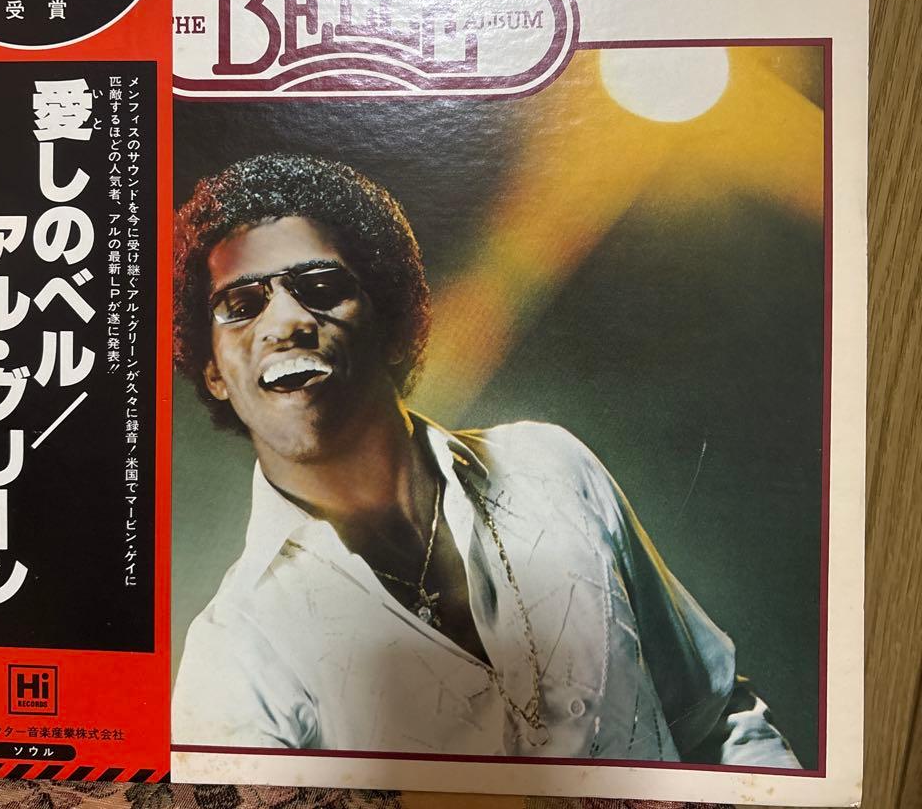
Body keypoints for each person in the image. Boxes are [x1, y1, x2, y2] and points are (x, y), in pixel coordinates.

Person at [171, 153, 799, 765]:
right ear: (214, 372)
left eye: (321, 288)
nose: (286, 321)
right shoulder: (234, 652)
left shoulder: (552, 466)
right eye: (241, 305)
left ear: (392, 327)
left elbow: (718, 722)